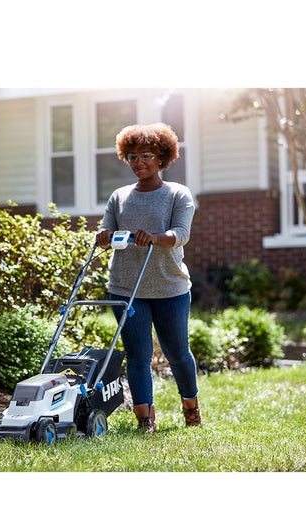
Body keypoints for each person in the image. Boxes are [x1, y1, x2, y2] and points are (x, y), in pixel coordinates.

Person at [96, 122, 201, 432]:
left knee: (177, 353)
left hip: (170, 287)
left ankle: (191, 408)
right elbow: (106, 228)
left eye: (145, 155)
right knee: (138, 355)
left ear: (162, 157)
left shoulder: (177, 194)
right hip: (126, 287)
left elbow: (180, 235)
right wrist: (103, 236)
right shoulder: (119, 196)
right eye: (131, 156)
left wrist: (155, 237)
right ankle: (146, 420)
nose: (138, 162)